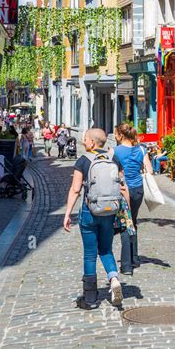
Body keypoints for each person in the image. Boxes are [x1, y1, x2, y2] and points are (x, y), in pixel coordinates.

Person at [63, 128, 130, 309]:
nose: (83, 142)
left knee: (90, 254)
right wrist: (128, 214)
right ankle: (114, 279)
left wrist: (68, 213)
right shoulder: (113, 159)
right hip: (110, 212)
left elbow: (75, 190)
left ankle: (91, 299)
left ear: (92, 142)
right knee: (106, 249)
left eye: (85, 139)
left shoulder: (84, 161)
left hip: (90, 211)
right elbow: (123, 188)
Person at [113, 123, 154, 275]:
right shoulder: (142, 149)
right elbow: (150, 170)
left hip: (123, 189)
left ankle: (126, 265)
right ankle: (135, 258)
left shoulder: (114, 151)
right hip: (138, 189)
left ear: (120, 135)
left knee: (125, 223)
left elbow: (113, 172)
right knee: (133, 221)